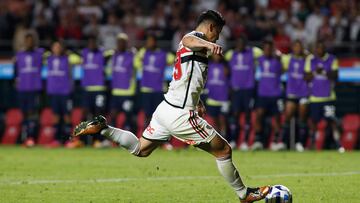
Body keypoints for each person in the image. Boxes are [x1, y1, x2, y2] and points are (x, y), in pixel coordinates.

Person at [73, 10, 269, 203]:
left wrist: (197, 100)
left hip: (165, 108)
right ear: (211, 27)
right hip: (181, 115)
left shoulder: (194, 46)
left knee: (141, 149)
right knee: (224, 151)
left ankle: (103, 128)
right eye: (217, 33)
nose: (217, 38)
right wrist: (209, 44)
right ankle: (244, 194)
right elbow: (187, 40)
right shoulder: (194, 39)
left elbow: (188, 76)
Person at [304, 41, 344, 152]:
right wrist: (315, 72)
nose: (318, 50)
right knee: (313, 121)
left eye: (321, 48)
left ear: (324, 49)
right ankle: (312, 144)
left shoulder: (332, 59)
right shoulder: (310, 59)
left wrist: (325, 71)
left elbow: (335, 76)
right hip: (314, 97)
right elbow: (306, 77)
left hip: (328, 97)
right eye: (317, 48)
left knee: (332, 121)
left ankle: (338, 144)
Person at [224, 36, 262, 150]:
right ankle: (234, 140)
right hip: (235, 89)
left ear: (245, 44)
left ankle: (245, 141)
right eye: (238, 43)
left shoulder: (253, 52)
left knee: (247, 115)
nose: (240, 45)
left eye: (242, 43)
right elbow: (225, 67)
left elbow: (266, 54)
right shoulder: (230, 54)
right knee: (235, 115)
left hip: (249, 88)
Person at [45, 40, 80, 147]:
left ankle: (70, 140)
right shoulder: (48, 58)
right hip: (53, 91)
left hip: (65, 91)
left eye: (59, 47)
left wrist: (69, 53)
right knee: (55, 116)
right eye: (55, 47)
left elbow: (78, 59)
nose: (57, 49)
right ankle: (56, 140)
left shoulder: (68, 58)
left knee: (67, 116)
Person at [134, 35, 174, 125]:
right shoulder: (143, 52)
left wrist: (167, 64)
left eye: (151, 41)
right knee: (147, 114)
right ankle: (147, 135)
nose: (149, 43)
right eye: (147, 41)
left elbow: (174, 60)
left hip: (158, 89)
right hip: (146, 88)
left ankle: (158, 136)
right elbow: (136, 63)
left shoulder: (163, 54)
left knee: (158, 115)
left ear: (155, 42)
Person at [252, 40, 284, 151]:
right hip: (262, 93)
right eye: (266, 48)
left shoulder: (278, 60)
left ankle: (275, 142)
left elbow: (283, 71)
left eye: (270, 49)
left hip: (275, 94)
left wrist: (279, 59)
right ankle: (258, 140)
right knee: (259, 115)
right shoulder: (258, 60)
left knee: (276, 118)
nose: (268, 51)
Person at [14, 33, 44, 147]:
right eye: (27, 41)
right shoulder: (19, 55)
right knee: (23, 114)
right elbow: (16, 72)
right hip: (22, 88)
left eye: (31, 41)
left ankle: (32, 137)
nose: (29, 43)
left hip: (34, 88)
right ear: (25, 42)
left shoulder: (39, 54)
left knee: (33, 114)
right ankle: (23, 137)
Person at [280, 40, 308, 152]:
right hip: (291, 92)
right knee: (287, 117)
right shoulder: (288, 59)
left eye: (299, 46)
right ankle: (284, 142)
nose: (298, 48)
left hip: (303, 92)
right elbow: (281, 68)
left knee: (302, 119)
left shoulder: (307, 59)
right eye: (296, 46)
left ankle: (300, 143)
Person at [80, 36, 107, 147]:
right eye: (90, 43)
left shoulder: (103, 54)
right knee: (85, 113)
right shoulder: (84, 53)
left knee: (98, 115)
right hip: (87, 88)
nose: (92, 45)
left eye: (94, 42)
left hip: (99, 88)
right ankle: (82, 140)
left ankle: (98, 140)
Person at [108, 33, 136, 132]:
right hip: (116, 91)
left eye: (122, 42)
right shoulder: (113, 55)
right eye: (118, 42)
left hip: (128, 91)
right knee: (113, 115)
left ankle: (131, 138)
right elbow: (108, 69)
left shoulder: (132, 55)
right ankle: (113, 139)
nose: (120, 44)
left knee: (129, 116)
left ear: (126, 43)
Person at [205, 54, 229, 136]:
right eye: (215, 55)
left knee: (223, 119)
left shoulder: (225, 67)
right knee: (215, 120)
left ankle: (225, 137)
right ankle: (219, 138)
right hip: (212, 97)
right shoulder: (208, 66)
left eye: (219, 55)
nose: (217, 57)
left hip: (223, 98)